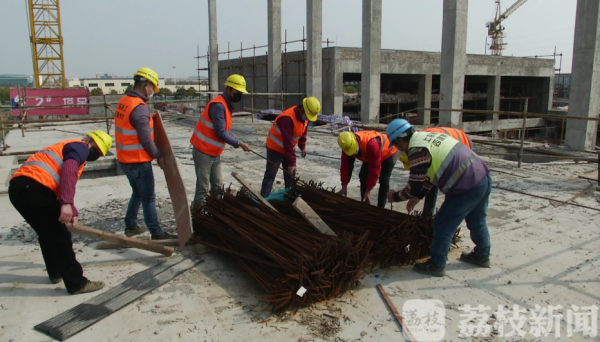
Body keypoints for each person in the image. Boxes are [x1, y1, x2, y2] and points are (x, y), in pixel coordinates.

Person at [9, 131, 112, 294]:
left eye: (99, 154)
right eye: (96, 150)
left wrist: (73, 209)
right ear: (88, 140)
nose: (94, 154)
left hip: (18, 189)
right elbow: (69, 170)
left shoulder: (64, 149)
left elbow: (62, 182)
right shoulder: (80, 146)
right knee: (60, 235)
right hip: (35, 188)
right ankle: (77, 283)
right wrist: (66, 203)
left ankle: (56, 271)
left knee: (46, 232)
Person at [386, 119, 492, 277]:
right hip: (483, 177)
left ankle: (437, 264)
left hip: (465, 184)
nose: (398, 149)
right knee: (477, 220)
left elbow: (413, 187)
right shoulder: (426, 137)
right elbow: (430, 174)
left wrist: (394, 196)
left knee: (443, 224)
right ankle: (482, 255)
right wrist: (419, 196)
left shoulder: (416, 150)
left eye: (396, 145)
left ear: (401, 140)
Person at [115, 67, 175, 240]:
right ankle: (156, 232)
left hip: (124, 160)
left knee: (137, 193)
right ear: (146, 86)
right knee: (148, 197)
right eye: (152, 88)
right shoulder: (139, 108)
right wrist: (158, 155)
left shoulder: (124, 101)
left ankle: (131, 226)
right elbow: (146, 139)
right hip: (138, 161)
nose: (152, 93)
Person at [190, 74, 252, 209]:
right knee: (203, 189)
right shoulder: (218, 106)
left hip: (213, 152)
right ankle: (198, 218)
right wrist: (239, 143)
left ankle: (215, 213)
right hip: (203, 151)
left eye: (241, 92)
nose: (239, 95)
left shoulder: (225, 105)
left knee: (217, 187)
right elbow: (221, 132)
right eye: (237, 91)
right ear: (229, 89)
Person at [396, 124, 473, 217]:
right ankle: (428, 215)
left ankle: (446, 217)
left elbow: (428, 179)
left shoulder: (422, 149)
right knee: (432, 180)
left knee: (450, 185)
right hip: (446, 141)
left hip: (462, 142)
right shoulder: (415, 142)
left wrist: (417, 197)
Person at [260, 97, 321, 198]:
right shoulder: (287, 119)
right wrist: (292, 163)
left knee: (290, 176)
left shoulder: (304, 117)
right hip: (275, 148)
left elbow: (303, 130)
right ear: (303, 109)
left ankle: (290, 197)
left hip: (288, 149)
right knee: (270, 174)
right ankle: (263, 198)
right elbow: (287, 142)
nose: (308, 119)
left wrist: (302, 146)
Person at [336, 130, 397, 208]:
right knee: (363, 176)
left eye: (354, 150)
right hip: (370, 154)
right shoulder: (346, 146)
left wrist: (368, 190)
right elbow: (346, 166)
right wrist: (344, 186)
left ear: (356, 141)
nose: (353, 153)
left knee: (384, 179)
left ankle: (381, 207)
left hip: (389, 152)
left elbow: (375, 170)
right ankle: (365, 202)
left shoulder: (371, 144)